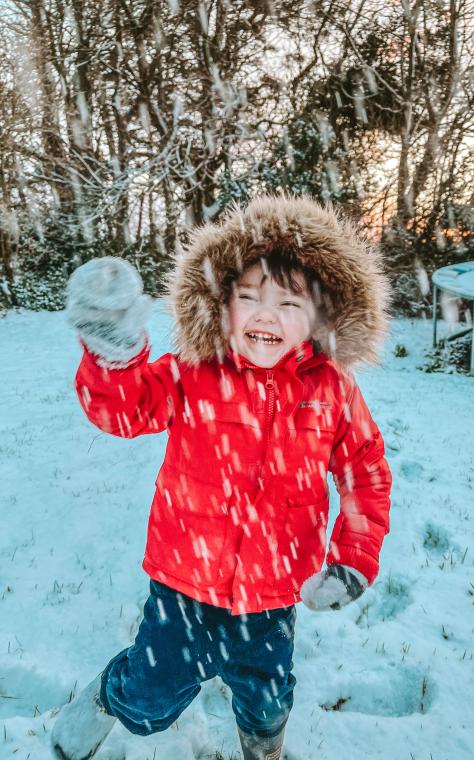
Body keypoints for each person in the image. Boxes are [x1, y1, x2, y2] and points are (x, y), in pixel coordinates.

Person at [51, 194, 393, 760]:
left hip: (273, 594)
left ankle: (264, 742)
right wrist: (115, 359)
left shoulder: (331, 389)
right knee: (150, 697)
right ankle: (111, 697)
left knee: (267, 698)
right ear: (221, 305)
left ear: (318, 317)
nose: (266, 314)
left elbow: (365, 470)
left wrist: (354, 556)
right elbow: (127, 411)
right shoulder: (193, 373)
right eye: (249, 297)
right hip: (181, 586)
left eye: (288, 302)